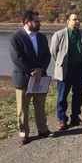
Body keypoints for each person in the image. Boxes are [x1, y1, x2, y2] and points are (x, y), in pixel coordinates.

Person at [8, 10, 54, 145]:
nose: (40, 23)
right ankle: (24, 133)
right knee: (22, 108)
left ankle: (43, 129)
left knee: (40, 106)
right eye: (36, 21)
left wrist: (41, 69)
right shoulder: (15, 37)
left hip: (40, 77)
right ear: (27, 22)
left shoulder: (42, 37)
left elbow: (47, 55)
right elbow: (17, 58)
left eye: (39, 21)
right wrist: (31, 71)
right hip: (23, 78)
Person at [50, 14, 82, 131]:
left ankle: (75, 117)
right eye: (74, 19)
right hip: (65, 70)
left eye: (78, 19)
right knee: (62, 96)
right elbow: (53, 52)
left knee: (78, 95)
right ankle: (62, 120)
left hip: (79, 69)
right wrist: (60, 63)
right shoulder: (59, 34)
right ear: (68, 21)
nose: (77, 21)